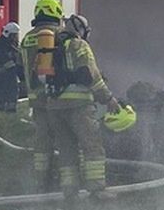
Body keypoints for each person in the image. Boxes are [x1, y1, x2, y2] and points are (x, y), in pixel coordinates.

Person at [45, 13, 122, 194]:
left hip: (54, 108)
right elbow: (92, 77)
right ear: (81, 30)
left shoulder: (51, 48)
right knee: (92, 146)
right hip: (78, 107)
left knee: (67, 150)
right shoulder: (80, 45)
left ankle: (69, 191)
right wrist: (108, 98)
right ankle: (97, 190)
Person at [20, 0, 65, 191]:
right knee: (65, 136)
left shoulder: (27, 38)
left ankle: (41, 178)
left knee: (42, 138)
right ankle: (65, 176)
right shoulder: (60, 34)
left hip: (35, 98)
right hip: (58, 97)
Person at [0, 22, 21, 112]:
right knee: (11, 90)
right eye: (16, 35)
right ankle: (10, 109)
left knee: (1, 91)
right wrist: (17, 67)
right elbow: (5, 59)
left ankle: (3, 107)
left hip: (0, 73)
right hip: (5, 72)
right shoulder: (4, 45)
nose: (17, 37)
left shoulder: (3, 43)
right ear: (11, 35)